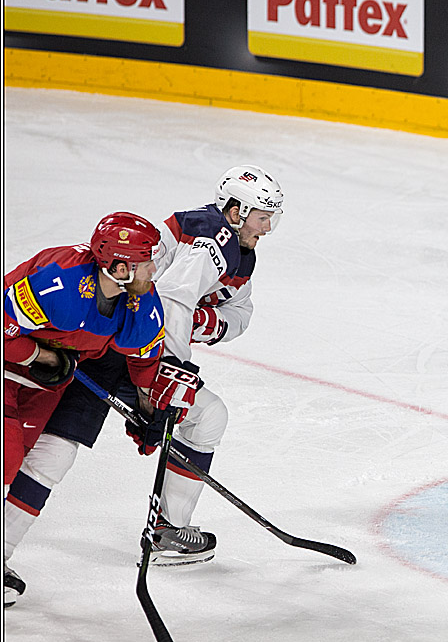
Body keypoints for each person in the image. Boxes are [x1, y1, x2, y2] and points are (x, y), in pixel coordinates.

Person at [3, 165, 284, 602]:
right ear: (236, 210)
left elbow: (215, 320)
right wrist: (172, 367)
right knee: (33, 454)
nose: (268, 227)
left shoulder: (207, 262)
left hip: (103, 350)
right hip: (89, 353)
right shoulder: (209, 245)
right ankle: (167, 529)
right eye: (263, 216)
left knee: (52, 454)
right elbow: (171, 303)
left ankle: (168, 530)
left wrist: (157, 397)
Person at [4, 212, 169, 607]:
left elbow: (144, 360)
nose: (154, 267)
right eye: (146, 259)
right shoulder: (58, 279)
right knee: (5, 454)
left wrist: (149, 409)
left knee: (47, 457)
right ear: (118, 265)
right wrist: (40, 354)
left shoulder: (140, 301)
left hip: (42, 385)